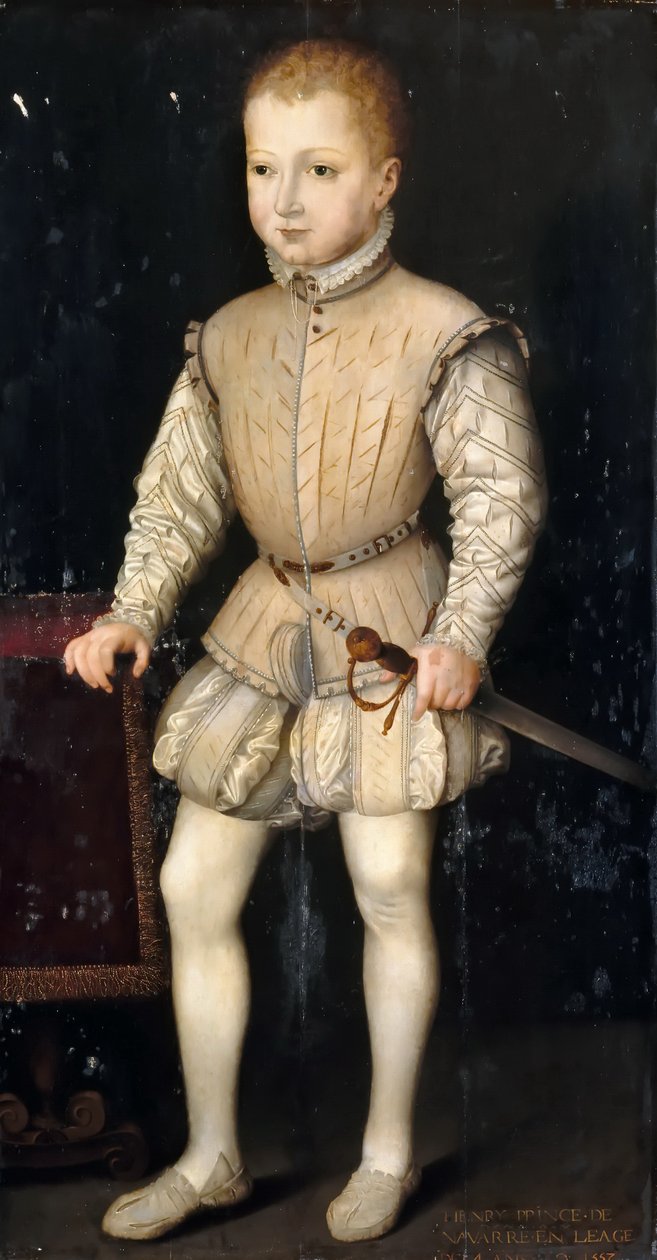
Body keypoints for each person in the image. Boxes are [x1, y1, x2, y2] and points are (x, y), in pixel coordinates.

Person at [64, 38, 547, 1244]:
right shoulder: (228, 335)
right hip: (264, 620)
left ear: (384, 181)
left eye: (318, 170)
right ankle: (213, 1155)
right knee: (192, 884)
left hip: (394, 628)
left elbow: (500, 498)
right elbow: (180, 496)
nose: (282, 201)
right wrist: (133, 609)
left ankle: (385, 1153)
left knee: (386, 883)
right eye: (260, 167)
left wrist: (460, 633)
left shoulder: (447, 328)